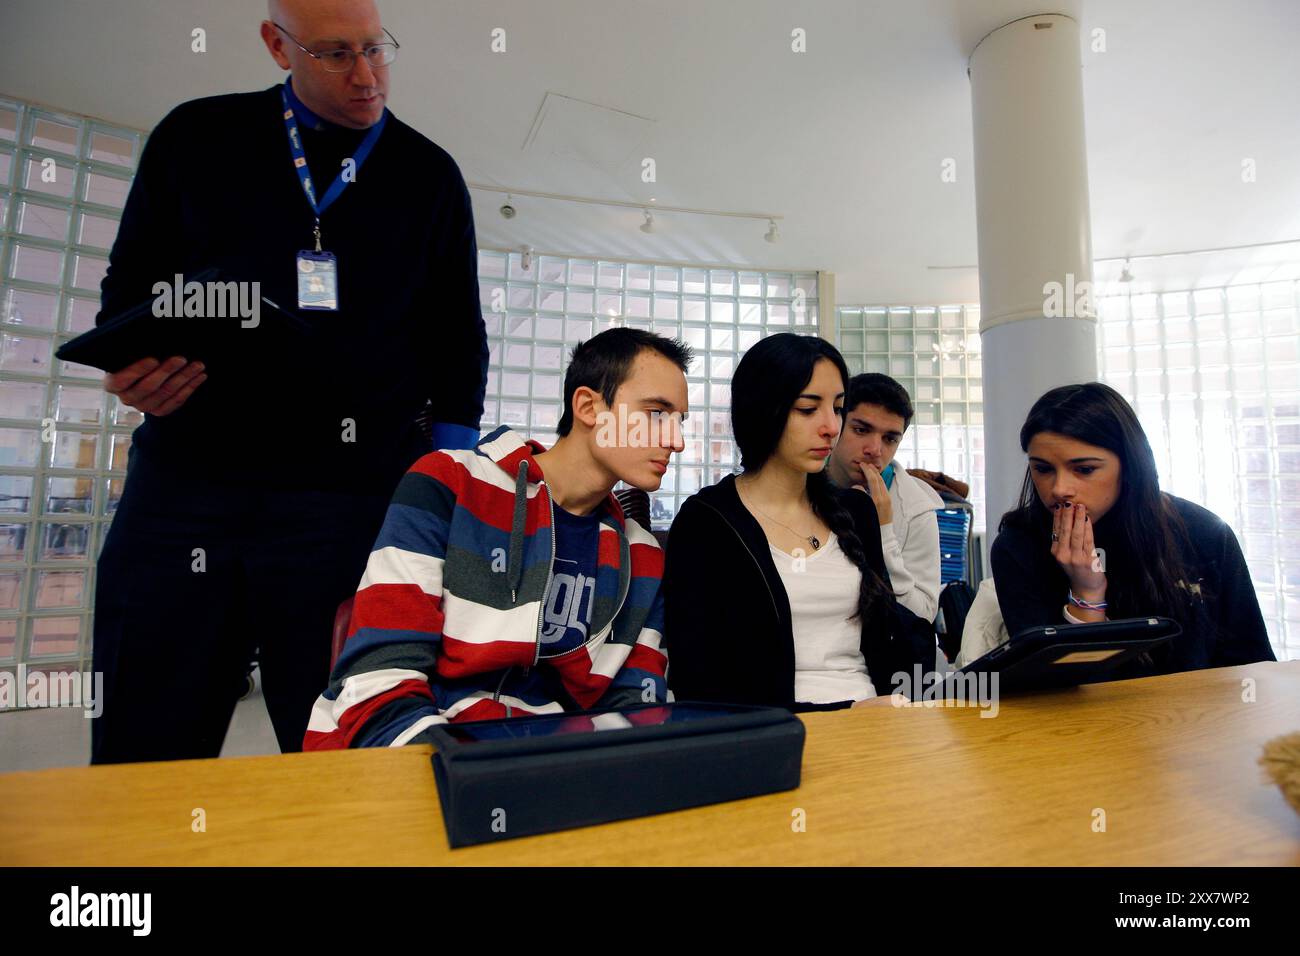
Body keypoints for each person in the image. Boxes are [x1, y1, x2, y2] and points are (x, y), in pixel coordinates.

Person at [91, 0, 488, 763]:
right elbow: (129, 290)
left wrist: (445, 485)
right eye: (336, 54)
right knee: (145, 739)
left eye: (377, 49)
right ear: (278, 45)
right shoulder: (195, 137)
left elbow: (458, 343)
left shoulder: (428, 175)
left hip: (350, 505)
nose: (368, 77)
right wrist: (134, 368)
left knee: (349, 751)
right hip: (186, 490)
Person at [304, 328, 691, 748]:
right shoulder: (449, 483)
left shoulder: (642, 553)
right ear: (588, 406)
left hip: (553, 767)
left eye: (679, 422)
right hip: (409, 755)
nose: (677, 441)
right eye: (656, 414)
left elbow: (638, 707)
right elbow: (380, 678)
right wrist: (471, 778)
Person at [662, 334, 937, 711]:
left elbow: (892, 645)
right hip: (776, 736)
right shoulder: (708, 523)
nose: (830, 427)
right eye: (808, 409)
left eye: (838, 408)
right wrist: (843, 714)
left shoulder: (856, 512)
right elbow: (701, 683)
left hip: (877, 723)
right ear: (764, 410)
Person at [991, 382, 1276, 675]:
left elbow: (1252, 664)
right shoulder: (1019, 544)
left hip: (1201, 715)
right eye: (1043, 468)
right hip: (1084, 719)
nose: (1060, 488)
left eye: (1085, 469)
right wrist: (1087, 594)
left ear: (1128, 465)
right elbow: (1055, 688)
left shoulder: (1203, 533)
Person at [827, 373, 944, 622]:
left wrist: (884, 532)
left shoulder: (915, 509)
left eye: (890, 439)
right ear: (836, 423)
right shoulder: (799, 485)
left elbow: (923, 615)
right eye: (861, 430)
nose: (875, 450)